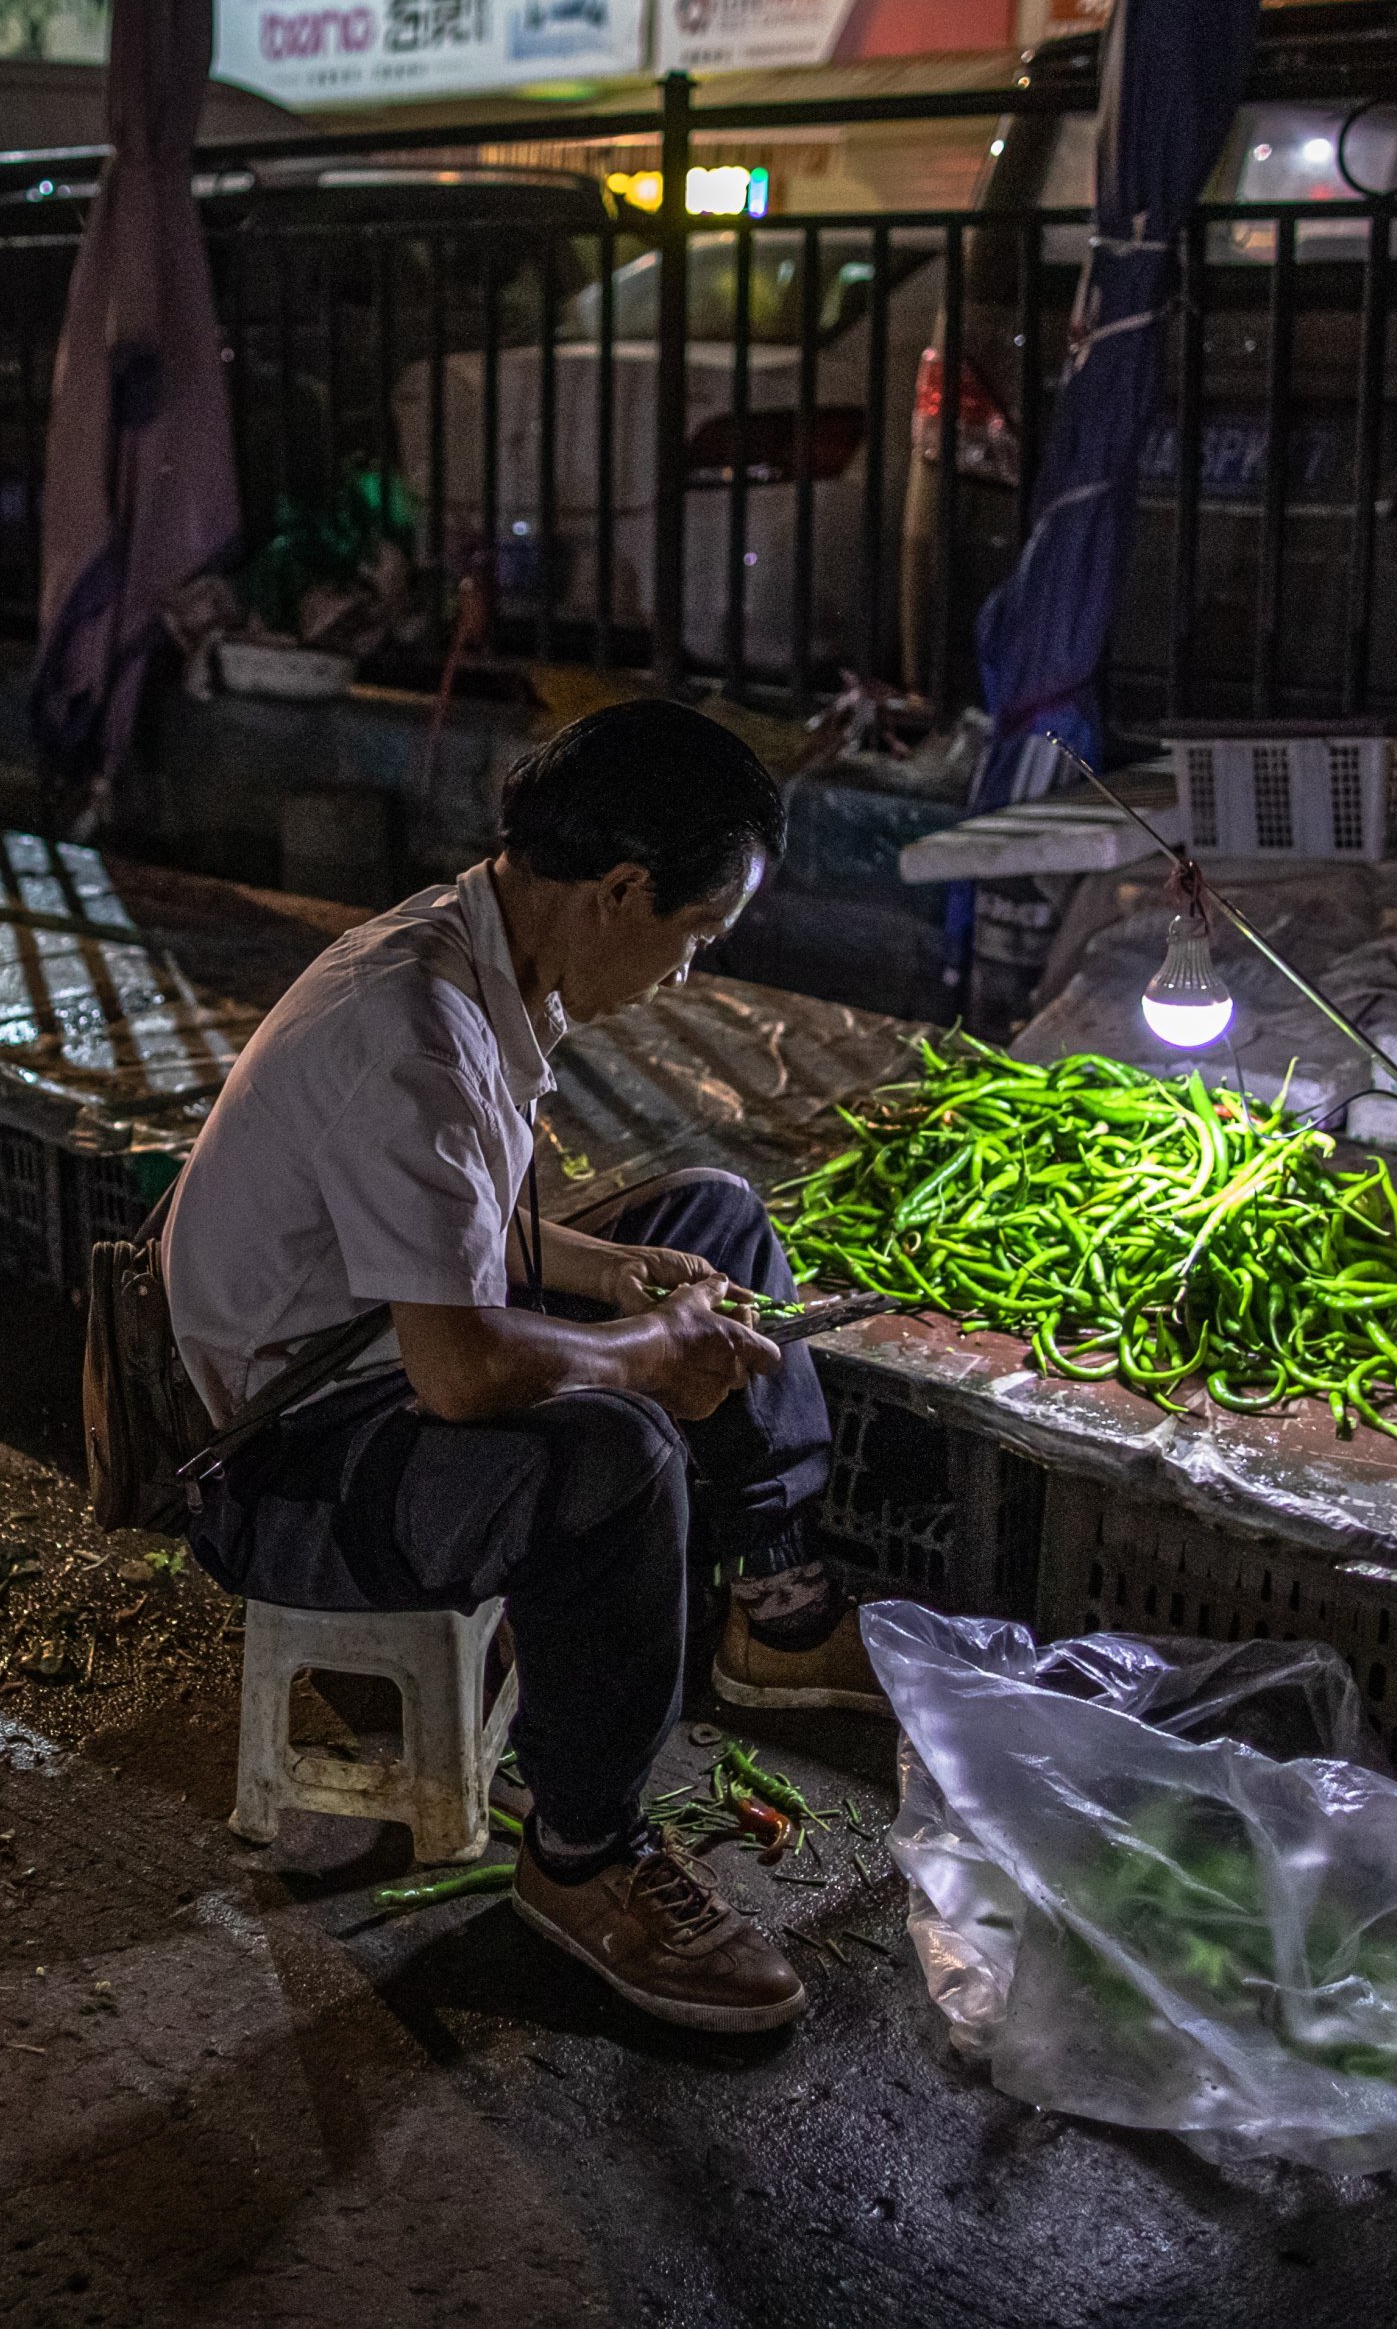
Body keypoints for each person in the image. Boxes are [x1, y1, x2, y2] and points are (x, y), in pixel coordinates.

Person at [163, 699, 885, 2035]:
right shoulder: (421, 1029)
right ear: (621, 892)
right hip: (288, 1463)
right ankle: (583, 1856)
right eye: (694, 935)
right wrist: (645, 1356)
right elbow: (460, 1369)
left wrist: (624, 1280)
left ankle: (774, 1613)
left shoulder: (482, 945)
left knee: (711, 1219)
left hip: (378, 1345)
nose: (685, 972)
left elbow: (462, 1235)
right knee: (620, 1450)